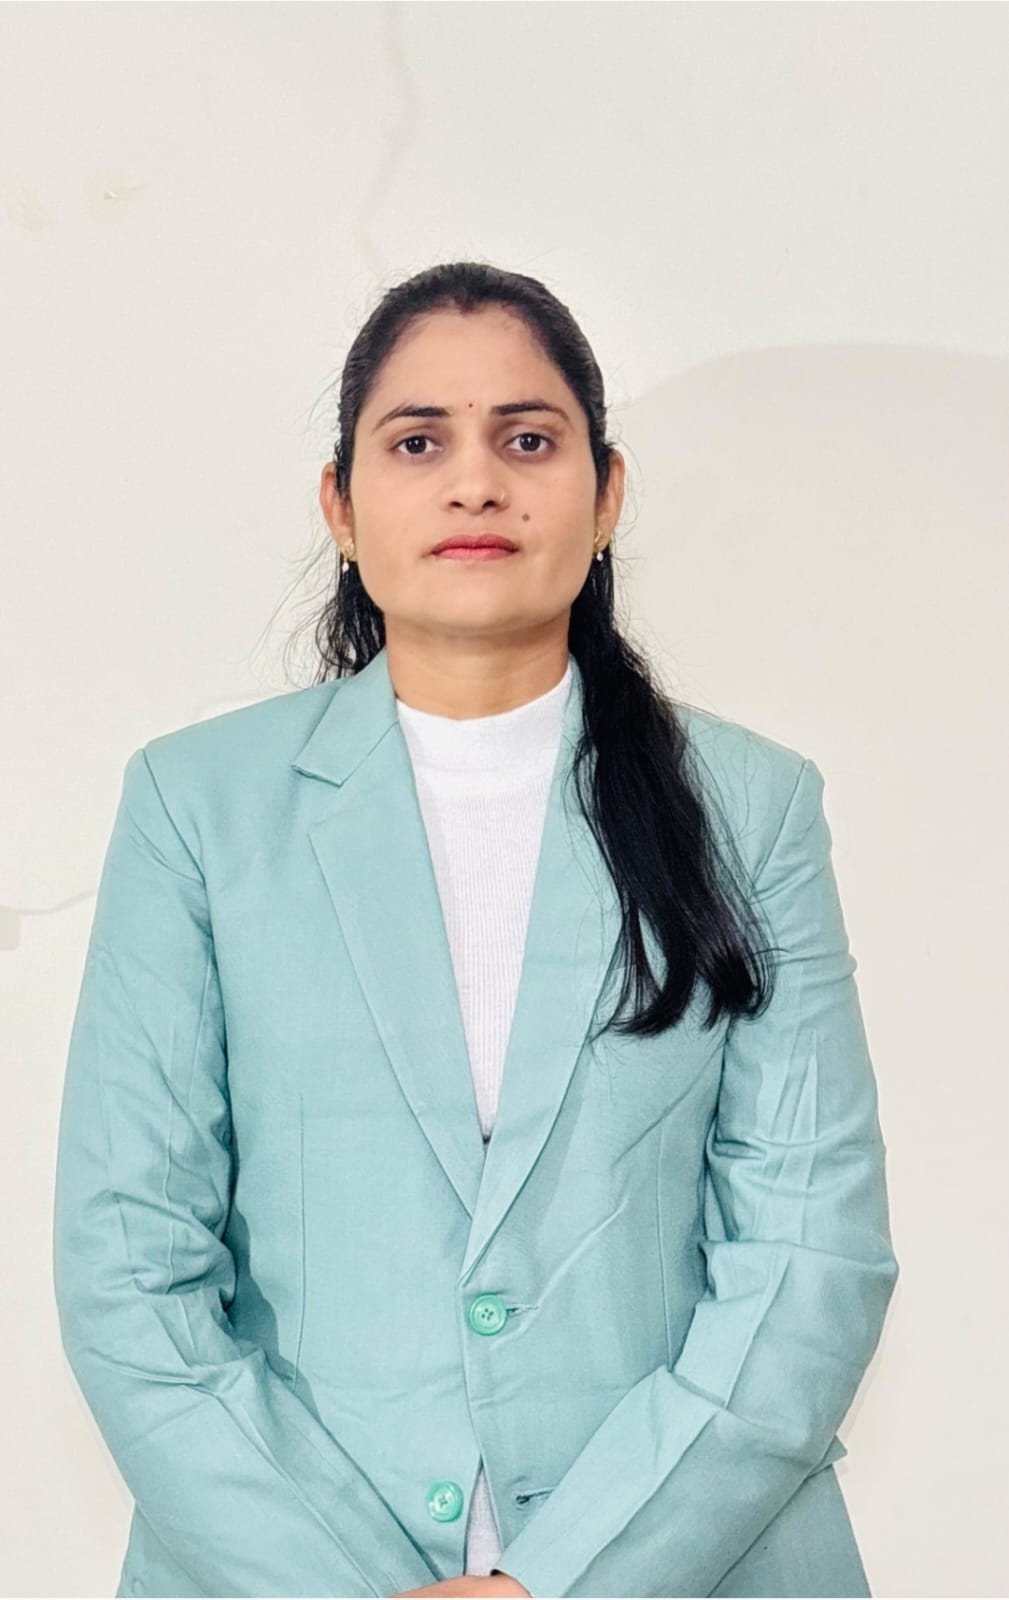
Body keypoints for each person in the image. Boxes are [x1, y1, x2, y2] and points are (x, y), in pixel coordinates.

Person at [52, 260, 899, 1599]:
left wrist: (560, 1582)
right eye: (416, 442)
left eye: (527, 439)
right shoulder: (195, 805)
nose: (475, 483)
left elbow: (811, 1255)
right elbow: (128, 1266)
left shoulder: (751, 806)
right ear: (340, 505)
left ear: (605, 495)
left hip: (697, 1567)